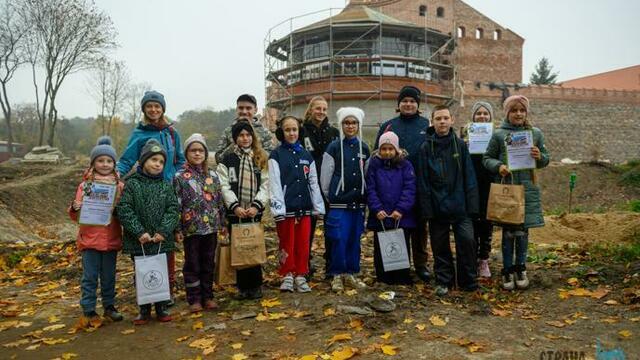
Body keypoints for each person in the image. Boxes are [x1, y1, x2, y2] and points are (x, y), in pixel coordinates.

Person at [117, 90, 184, 305]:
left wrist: (177, 178)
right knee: (146, 244)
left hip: (167, 191)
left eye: (157, 106)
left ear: (163, 108)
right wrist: (114, 175)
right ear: (144, 109)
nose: (153, 109)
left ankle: (168, 290)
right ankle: (147, 290)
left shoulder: (172, 133)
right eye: (149, 106)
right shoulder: (139, 133)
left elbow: (180, 160)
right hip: (144, 192)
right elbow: (127, 159)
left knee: (167, 241)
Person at [483, 95, 550, 290]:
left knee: (523, 232)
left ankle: (521, 268)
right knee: (509, 232)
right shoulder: (498, 135)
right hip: (508, 189)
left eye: (522, 110)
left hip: (528, 189)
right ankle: (507, 270)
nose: (518, 114)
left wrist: (540, 156)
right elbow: (487, 158)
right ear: (507, 113)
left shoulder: (535, 133)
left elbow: (546, 158)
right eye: (514, 110)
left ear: (526, 112)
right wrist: (499, 166)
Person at [417, 105, 479, 296]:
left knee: (467, 241)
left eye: (445, 118)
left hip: (461, 207)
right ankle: (444, 281)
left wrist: (472, 206)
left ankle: (468, 280)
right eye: (438, 119)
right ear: (432, 122)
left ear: (452, 120)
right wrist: (427, 210)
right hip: (437, 208)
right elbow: (423, 181)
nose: (442, 122)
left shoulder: (459, 145)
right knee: (439, 246)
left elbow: (469, 175)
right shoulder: (426, 147)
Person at [116, 139, 179, 324]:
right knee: (142, 273)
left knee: (161, 272)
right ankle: (143, 309)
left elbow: (173, 209)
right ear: (143, 161)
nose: (158, 164)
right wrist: (139, 231)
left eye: (161, 162)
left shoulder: (165, 186)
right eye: (154, 160)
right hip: (139, 241)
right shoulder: (132, 184)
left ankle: (161, 307)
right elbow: (124, 209)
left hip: (160, 240)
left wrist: (164, 231)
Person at [374, 86, 431, 282]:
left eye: (412, 101)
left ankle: (421, 264)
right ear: (398, 104)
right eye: (404, 101)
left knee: (419, 226)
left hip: (420, 183)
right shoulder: (389, 126)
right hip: (394, 186)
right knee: (399, 226)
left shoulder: (426, 125)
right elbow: (377, 154)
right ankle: (396, 263)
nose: (408, 104)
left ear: (418, 105)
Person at [68, 136, 124, 322]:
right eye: (101, 160)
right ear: (93, 163)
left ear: (114, 164)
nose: (105, 164)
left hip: (111, 239)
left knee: (109, 277)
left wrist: (117, 211)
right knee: (90, 277)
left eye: (109, 161)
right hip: (90, 240)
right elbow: (76, 215)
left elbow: (124, 212)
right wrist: (75, 208)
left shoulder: (119, 186)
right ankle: (89, 309)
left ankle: (109, 306)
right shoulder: (85, 186)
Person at [269, 116, 325, 293]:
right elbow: (274, 183)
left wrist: (318, 206)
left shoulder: (306, 155)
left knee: (303, 242)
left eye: (294, 130)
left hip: (305, 208)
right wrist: (278, 208)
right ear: (282, 132)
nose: (292, 133)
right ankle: (286, 274)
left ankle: (301, 273)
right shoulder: (276, 155)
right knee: (287, 242)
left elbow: (313, 182)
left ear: (299, 131)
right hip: (286, 209)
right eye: (288, 130)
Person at [217, 121, 270, 300]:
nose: (245, 138)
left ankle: (256, 286)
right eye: (241, 135)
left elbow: (266, 184)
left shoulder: (260, 158)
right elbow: (224, 185)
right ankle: (242, 287)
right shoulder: (228, 159)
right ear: (235, 139)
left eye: (248, 135)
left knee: (252, 246)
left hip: (254, 211)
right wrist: (235, 206)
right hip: (236, 212)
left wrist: (257, 205)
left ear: (252, 137)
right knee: (239, 248)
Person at [174, 134, 226, 312]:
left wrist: (223, 222)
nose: (197, 154)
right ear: (186, 153)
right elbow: (177, 204)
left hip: (211, 227)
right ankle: (194, 298)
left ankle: (208, 295)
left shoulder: (212, 175)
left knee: (208, 262)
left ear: (205, 153)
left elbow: (219, 200)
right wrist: (177, 228)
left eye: (200, 150)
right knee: (192, 263)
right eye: (193, 150)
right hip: (191, 229)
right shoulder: (180, 177)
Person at [320, 107, 370, 292]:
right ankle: (337, 274)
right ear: (341, 125)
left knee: (353, 238)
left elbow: (366, 174)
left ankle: (352, 272)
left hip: (357, 203)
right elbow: (325, 176)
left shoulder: (363, 147)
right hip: (339, 203)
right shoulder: (334, 147)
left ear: (359, 125)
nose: (350, 126)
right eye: (347, 123)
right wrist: (331, 195)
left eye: (354, 123)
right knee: (338, 237)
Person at [365, 131, 415, 285]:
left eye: (390, 149)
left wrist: (400, 209)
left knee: (401, 245)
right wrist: (376, 208)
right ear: (379, 150)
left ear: (396, 149)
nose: (387, 152)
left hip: (400, 215)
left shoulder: (405, 165)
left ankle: (401, 277)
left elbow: (410, 188)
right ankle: (383, 277)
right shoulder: (374, 165)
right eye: (384, 149)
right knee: (381, 247)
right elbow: (370, 189)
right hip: (381, 215)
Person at [300, 96, 340, 278]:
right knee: (307, 228)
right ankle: (304, 264)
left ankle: (332, 265)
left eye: (324, 109)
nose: (321, 112)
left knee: (331, 227)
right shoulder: (301, 131)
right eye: (318, 108)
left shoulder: (333, 132)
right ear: (310, 109)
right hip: (308, 185)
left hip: (329, 185)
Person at [460, 101, 496, 278]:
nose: (482, 116)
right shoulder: (466, 137)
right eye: (478, 114)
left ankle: (484, 259)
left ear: (490, 117)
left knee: (487, 225)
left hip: (490, 185)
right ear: (473, 117)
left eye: (485, 113)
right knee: (472, 223)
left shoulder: (496, 137)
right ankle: (471, 258)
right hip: (471, 186)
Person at [214, 94, 275, 163]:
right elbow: (218, 159)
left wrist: (253, 150)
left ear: (255, 110)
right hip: (233, 172)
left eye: (248, 108)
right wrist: (233, 146)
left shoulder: (264, 132)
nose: (244, 112)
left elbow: (271, 158)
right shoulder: (228, 131)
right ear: (237, 109)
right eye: (241, 108)